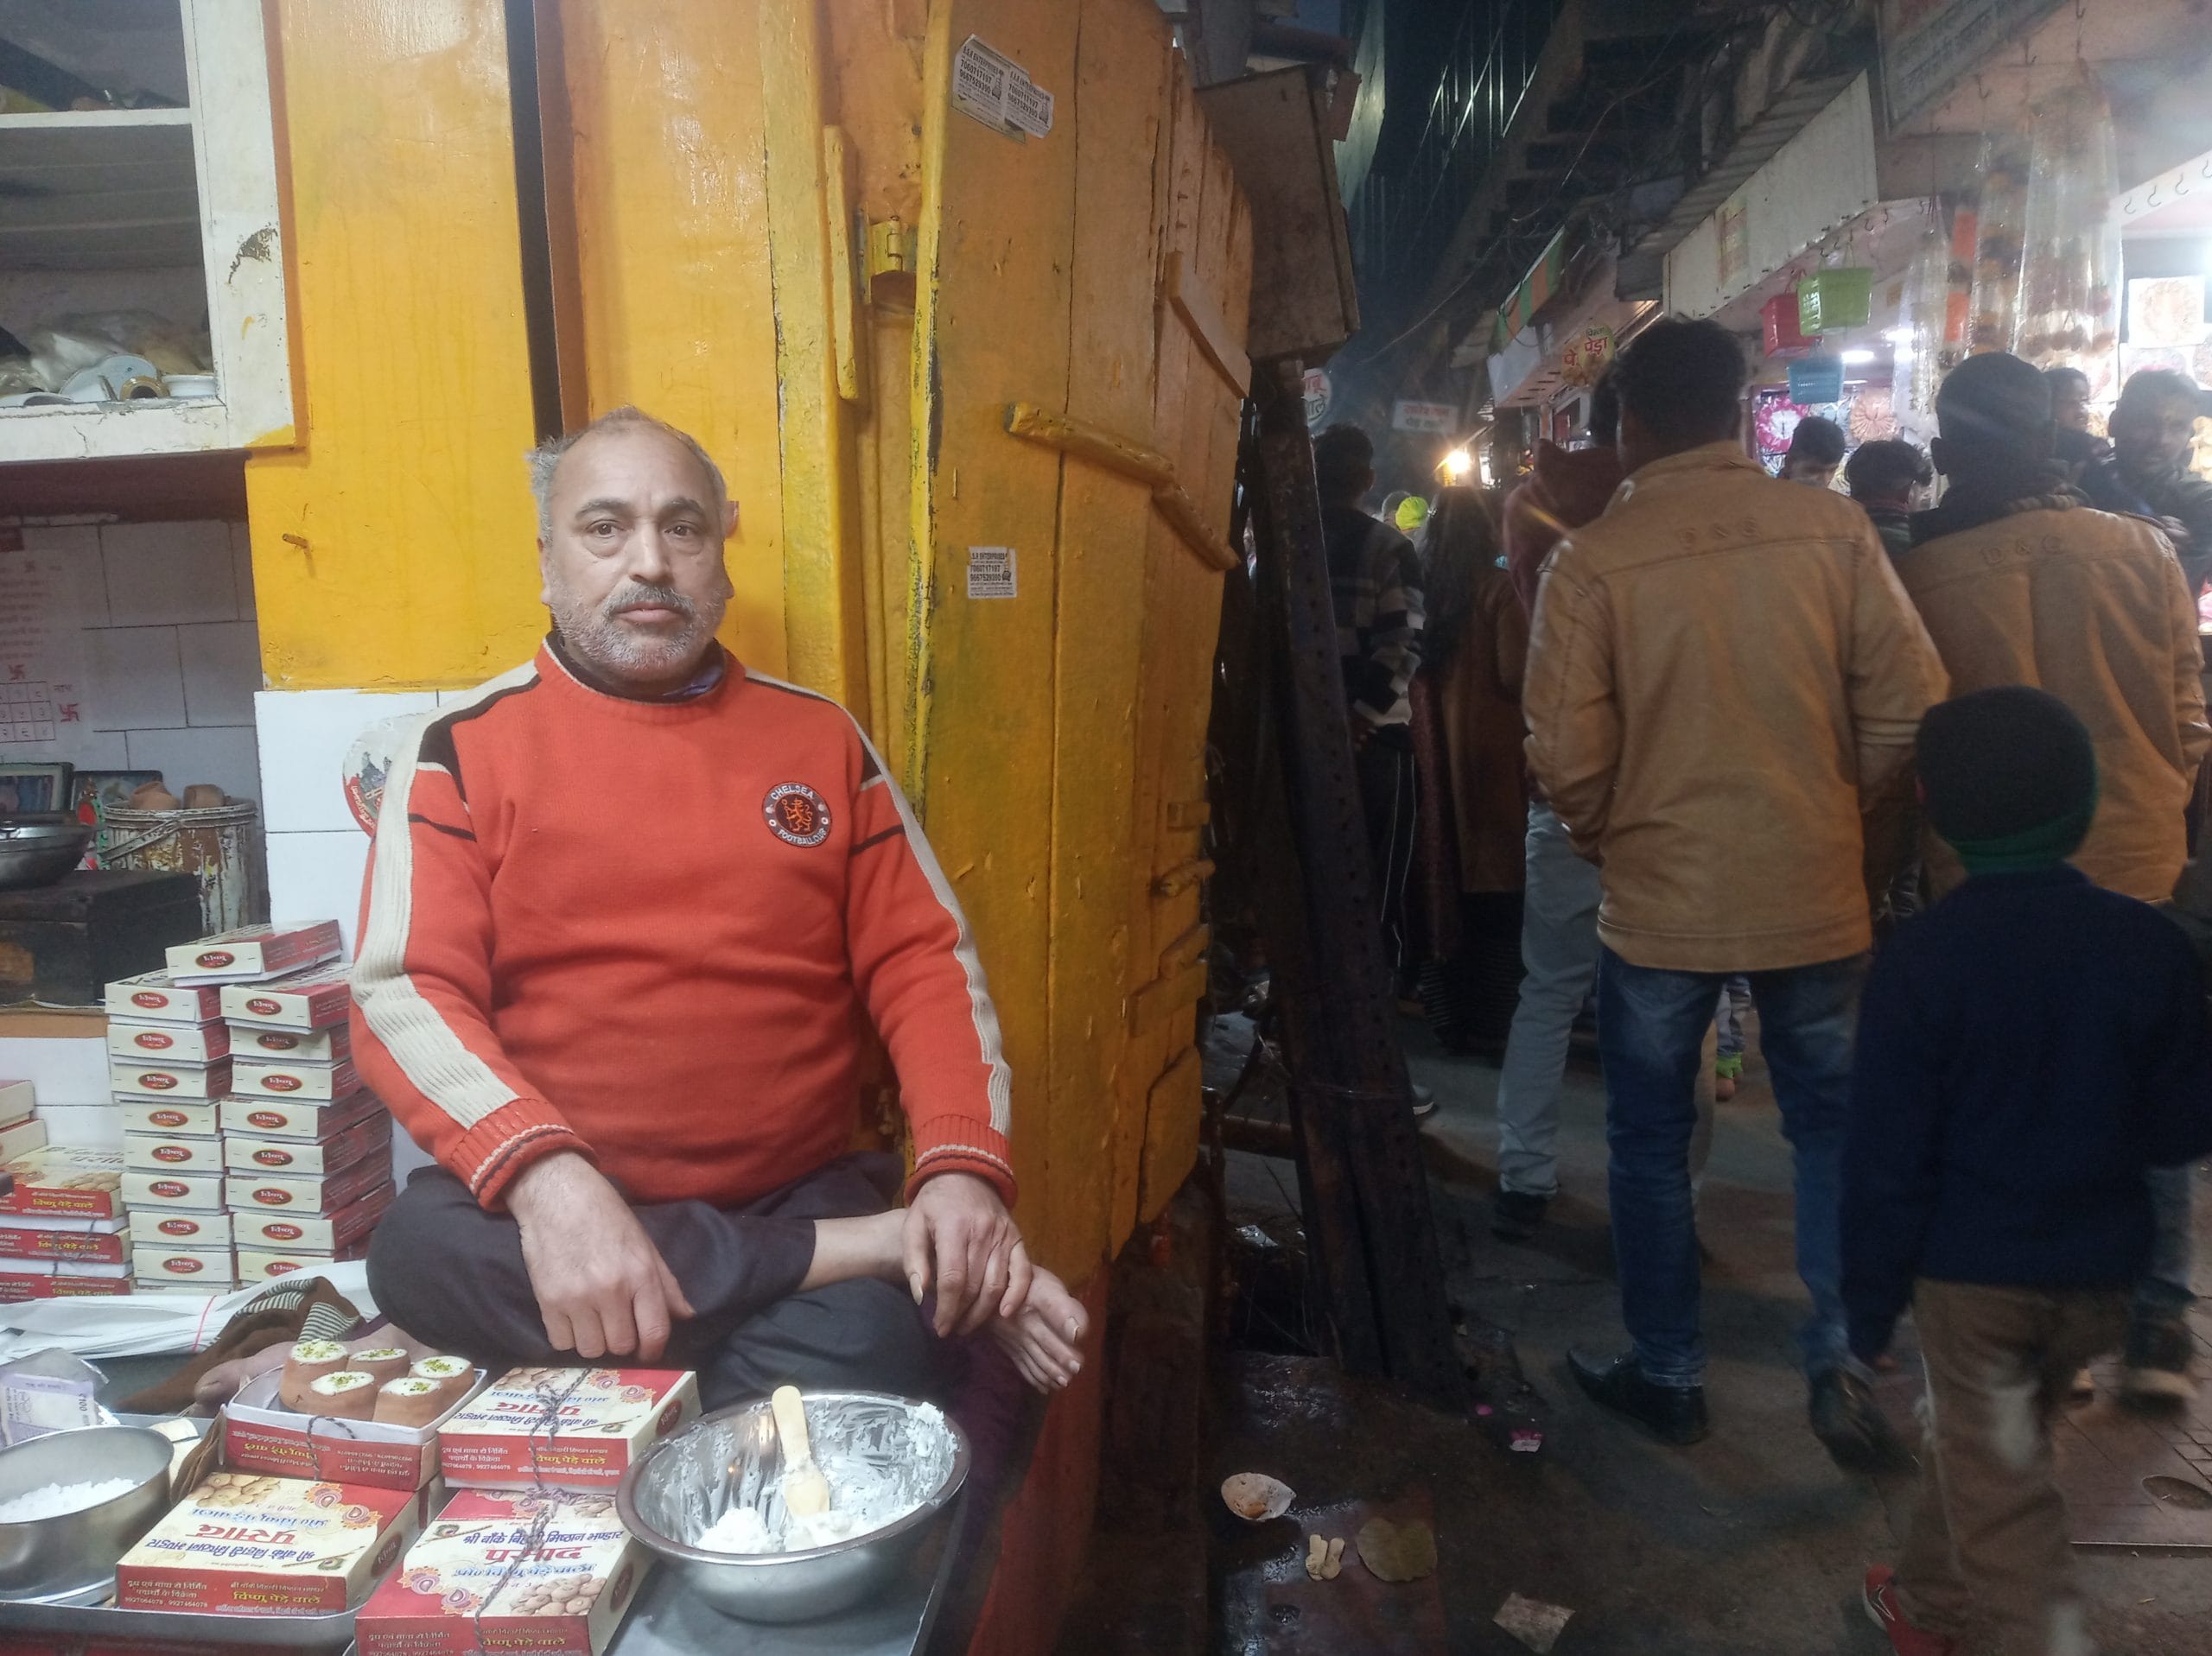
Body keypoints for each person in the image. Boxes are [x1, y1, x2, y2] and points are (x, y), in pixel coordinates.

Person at [353, 407, 1085, 1408]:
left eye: (683, 527)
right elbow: (407, 992)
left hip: (789, 1187)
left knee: (877, 1344)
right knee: (418, 1255)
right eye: (605, 528)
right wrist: (550, 1185)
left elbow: (926, 963)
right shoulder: (459, 750)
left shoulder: (820, 740)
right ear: (548, 558)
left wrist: (961, 1176)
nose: (648, 561)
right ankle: (850, 1257)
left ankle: (703, 1307)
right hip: (566, 1191)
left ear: (720, 558)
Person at [1522, 317, 1947, 1459]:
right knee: (1832, 1134)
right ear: (1735, 408)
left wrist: (1616, 834)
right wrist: (1826, 800)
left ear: (1631, 425)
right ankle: (1850, 1362)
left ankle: (1670, 1374)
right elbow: (1912, 705)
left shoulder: (1593, 562)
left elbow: (1563, 752)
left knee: (1649, 1148)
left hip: (1660, 904)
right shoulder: (1833, 528)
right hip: (1812, 889)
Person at [1848, 687, 2212, 1656]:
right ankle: (1927, 1604)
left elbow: (1885, 1159)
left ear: (1929, 802)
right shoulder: (2146, 947)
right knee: (1992, 1449)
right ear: (2086, 801)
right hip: (2098, 1279)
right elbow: (2181, 1128)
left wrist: (1867, 1301)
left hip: (1974, 1287)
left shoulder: (1920, 961)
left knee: (2009, 1508)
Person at [1901, 352, 2211, 1405]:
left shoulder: (1924, 573)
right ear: (2055, 442)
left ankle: (2042, 1325)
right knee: (2148, 1082)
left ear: (1946, 454)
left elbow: (1913, 736)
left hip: (1989, 879)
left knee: (2012, 1099)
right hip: (2138, 858)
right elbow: (2189, 712)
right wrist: (2160, 792)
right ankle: (2158, 1314)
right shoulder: (2143, 553)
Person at [1490, 372, 1624, 1240]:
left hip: (1564, 779)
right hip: (1666, 786)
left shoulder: (1529, 508)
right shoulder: (1664, 510)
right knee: (1659, 1002)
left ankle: (1522, 1174)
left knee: (1548, 989)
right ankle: (1662, 1199)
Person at [1314, 423, 1428, 1009]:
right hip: (1378, 741)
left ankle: (1326, 995)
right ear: (1366, 480)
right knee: (1380, 879)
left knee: (1321, 875)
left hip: (1308, 739)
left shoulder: (1290, 546)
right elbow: (1403, 643)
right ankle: (1372, 1003)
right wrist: (1361, 716)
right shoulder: (1389, 548)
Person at [1417, 486, 1528, 1048]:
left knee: (1449, 899)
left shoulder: (1426, 596)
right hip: (1495, 769)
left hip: (1438, 772)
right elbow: (1519, 676)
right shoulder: (1498, 592)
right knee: (1500, 908)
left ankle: (1452, 1017)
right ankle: (1494, 1024)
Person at [2084, 368, 2212, 595]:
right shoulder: (2080, 478)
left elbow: (2157, 592)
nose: (2161, 439)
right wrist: (2142, 535)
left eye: (2177, 427)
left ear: (2189, 436)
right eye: (2145, 422)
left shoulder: (2200, 500)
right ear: (2115, 423)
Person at [1846, 438, 1933, 559]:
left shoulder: (1830, 534)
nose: (1922, 499)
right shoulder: (1923, 545)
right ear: (1908, 492)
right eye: (1921, 492)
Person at [1781, 413, 1848, 487]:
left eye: (1831, 471)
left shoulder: (1830, 497)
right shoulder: (1768, 496)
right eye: (1814, 471)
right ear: (1789, 463)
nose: (1825, 481)